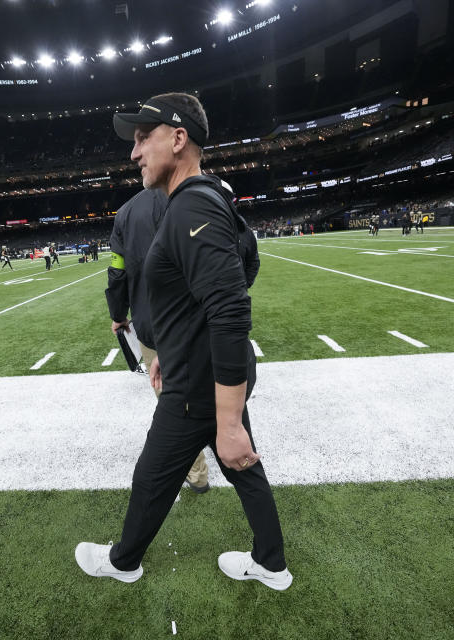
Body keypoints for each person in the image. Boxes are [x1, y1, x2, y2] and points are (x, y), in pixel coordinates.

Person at [77, 92, 291, 591]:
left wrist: (228, 417)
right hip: (197, 369)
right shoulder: (201, 198)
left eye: (142, 138)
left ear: (178, 139)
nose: (134, 153)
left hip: (200, 383)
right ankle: (272, 563)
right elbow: (238, 271)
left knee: (154, 474)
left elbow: (231, 306)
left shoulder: (192, 203)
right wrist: (172, 352)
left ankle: (124, 561)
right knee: (241, 466)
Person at [106, 187, 211, 494]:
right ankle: (229, 451)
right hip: (199, 317)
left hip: (154, 323)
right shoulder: (193, 194)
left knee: (172, 399)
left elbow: (117, 271)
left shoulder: (125, 213)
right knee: (208, 387)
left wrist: (117, 313)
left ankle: (197, 474)